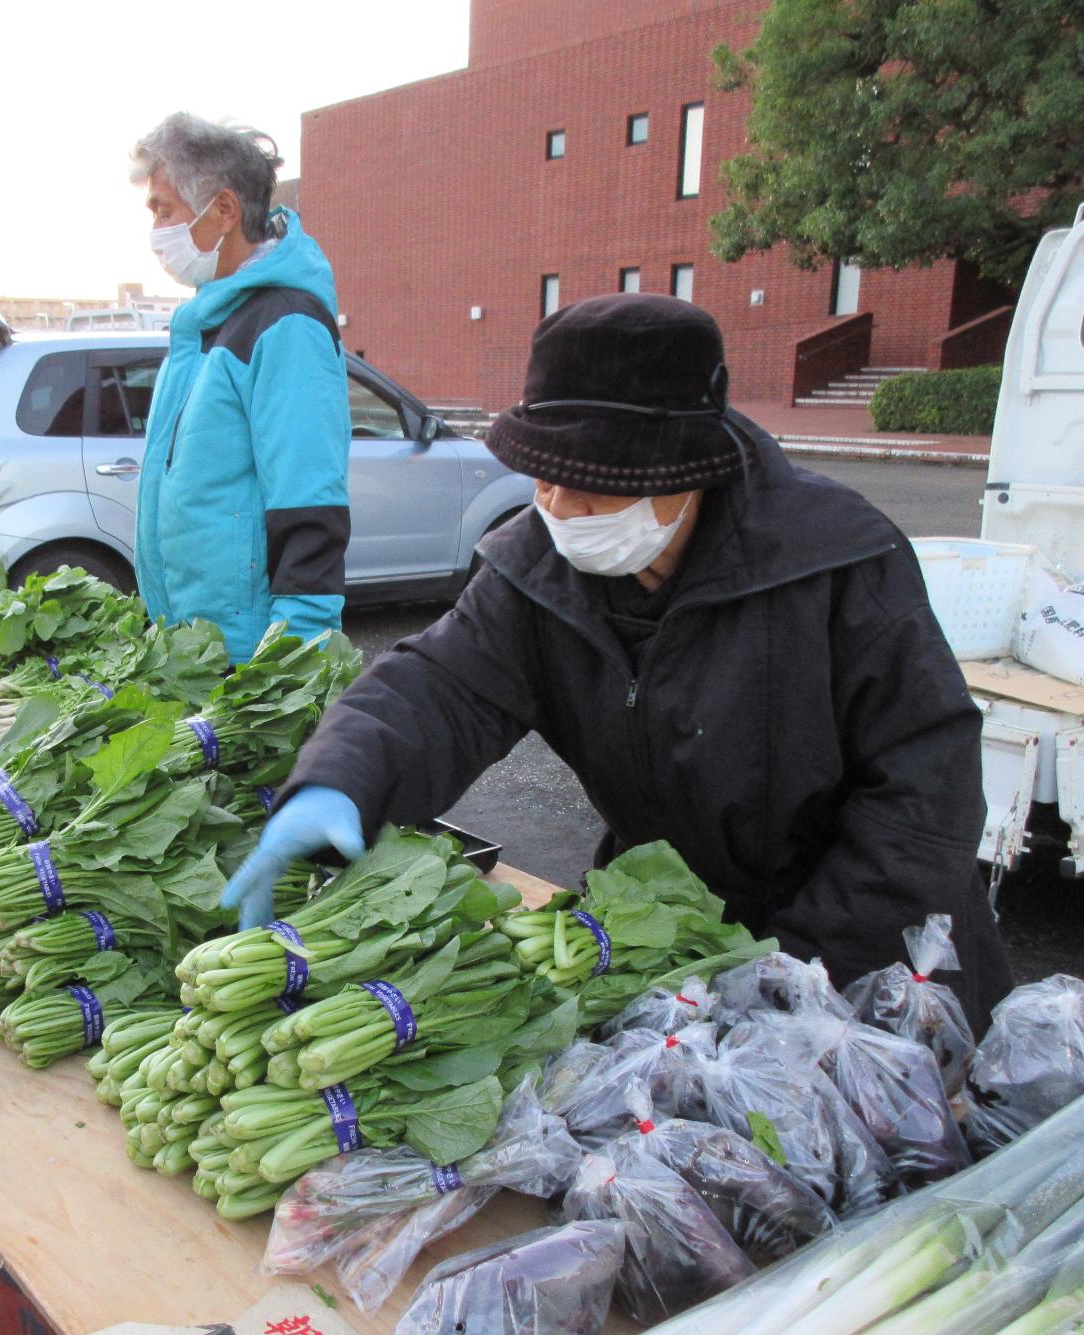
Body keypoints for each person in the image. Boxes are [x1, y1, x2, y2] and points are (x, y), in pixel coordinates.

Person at [223, 295, 1013, 1028]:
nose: (560, 510)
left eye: (595, 486)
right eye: (545, 477)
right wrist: (342, 780)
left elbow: (923, 800)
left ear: (687, 472)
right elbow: (440, 687)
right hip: (673, 938)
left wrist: (793, 973)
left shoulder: (839, 561)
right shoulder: (536, 568)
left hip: (874, 965)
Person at [129, 113, 350, 664]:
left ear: (224, 210)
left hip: (244, 661)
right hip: (194, 650)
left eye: (164, 210)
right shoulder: (212, 319)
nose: (156, 231)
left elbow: (309, 505)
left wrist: (284, 675)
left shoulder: (285, 325)